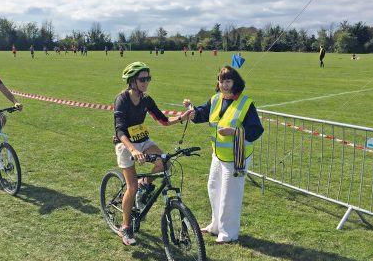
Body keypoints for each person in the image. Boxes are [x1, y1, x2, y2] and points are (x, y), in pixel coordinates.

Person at [183, 66, 263, 244]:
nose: (224, 85)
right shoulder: (216, 99)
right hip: (218, 155)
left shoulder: (245, 103)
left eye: (228, 81)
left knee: (230, 194)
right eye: (221, 81)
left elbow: (256, 130)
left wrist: (234, 132)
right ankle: (216, 226)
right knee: (213, 188)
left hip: (237, 157)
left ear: (235, 82)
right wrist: (191, 110)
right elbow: (201, 114)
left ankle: (229, 233)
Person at [113, 61, 191, 245]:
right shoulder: (122, 99)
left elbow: (162, 120)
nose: (146, 82)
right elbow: (120, 130)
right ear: (132, 81)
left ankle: (144, 184)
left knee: (164, 162)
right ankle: (125, 227)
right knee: (130, 187)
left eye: (148, 78)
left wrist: (181, 118)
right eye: (142, 79)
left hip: (143, 140)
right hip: (125, 144)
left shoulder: (146, 100)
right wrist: (132, 149)